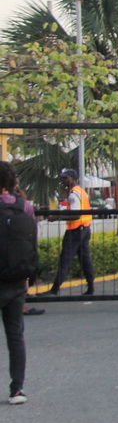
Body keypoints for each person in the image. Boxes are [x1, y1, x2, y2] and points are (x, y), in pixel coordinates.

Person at [1, 162, 34, 404]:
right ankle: (17, 389)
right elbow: (32, 245)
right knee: (15, 335)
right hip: (16, 280)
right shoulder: (26, 207)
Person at [49, 169, 95, 296]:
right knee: (85, 258)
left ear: (72, 179)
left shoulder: (74, 194)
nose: (63, 180)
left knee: (65, 259)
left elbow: (75, 215)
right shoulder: (81, 191)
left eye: (65, 178)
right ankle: (90, 287)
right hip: (84, 228)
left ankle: (54, 290)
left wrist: (57, 216)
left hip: (75, 230)